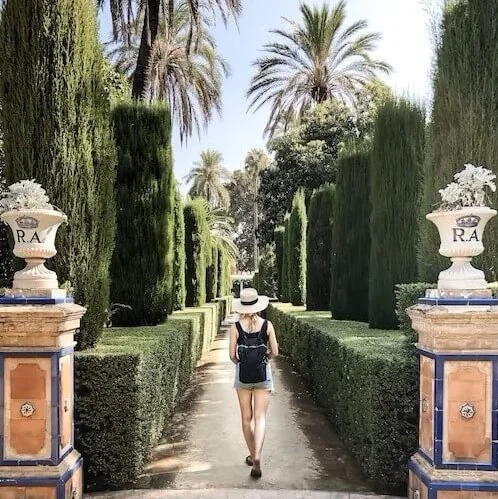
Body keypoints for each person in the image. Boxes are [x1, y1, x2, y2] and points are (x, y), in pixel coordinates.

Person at [229, 288, 279, 478]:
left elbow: (232, 356)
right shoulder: (267, 325)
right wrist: (264, 358)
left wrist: (242, 363)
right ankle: (257, 456)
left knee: (246, 419)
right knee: (260, 418)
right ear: (258, 305)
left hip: (243, 377)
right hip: (262, 375)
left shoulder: (235, 327)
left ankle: (252, 454)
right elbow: (275, 351)